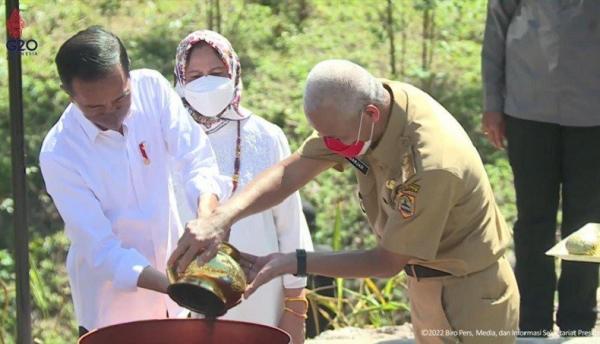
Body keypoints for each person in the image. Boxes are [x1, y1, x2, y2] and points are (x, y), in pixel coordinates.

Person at [169, 59, 520, 343]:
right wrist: (222, 218)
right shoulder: (361, 108)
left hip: (469, 295)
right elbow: (292, 172)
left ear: (371, 115)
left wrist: (293, 262)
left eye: (335, 139)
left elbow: (387, 262)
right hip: (425, 287)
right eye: (323, 137)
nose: (329, 147)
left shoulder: (432, 163)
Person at [39, 26, 228, 335]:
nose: (112, 114)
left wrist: (207, 218)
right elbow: (101, 250)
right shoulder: (60, 152)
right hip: (112, 310)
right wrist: (173, 285)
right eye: (94, 108)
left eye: (120, 99)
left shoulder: (152, 89)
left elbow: (195, 157)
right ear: (69, 94)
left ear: (129, 75)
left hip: (176, 303)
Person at [171, 30, 313, 343]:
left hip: (260, 297)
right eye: (195, 75)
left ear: (234, 72)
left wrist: (294, 309)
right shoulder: (168, 139)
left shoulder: (265, 136)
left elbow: (290, 227)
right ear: (180, 79)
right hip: (183, 297)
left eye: (217, 73)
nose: (206, 83)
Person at [482, 0, 600, 336]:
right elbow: (496, 31)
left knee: (588, 221)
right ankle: (532, 320)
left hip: (593, 115)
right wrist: (492, 103)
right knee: (533, 219)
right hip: (527, 109)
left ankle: (578, 319)